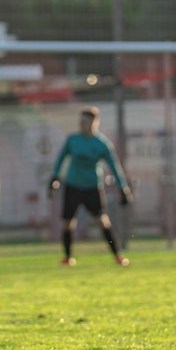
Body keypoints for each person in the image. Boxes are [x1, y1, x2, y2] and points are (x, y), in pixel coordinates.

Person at [48, 106, 132, 267]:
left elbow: (115, 167)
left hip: (92, 188)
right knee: (67, 223)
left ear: (95, 122)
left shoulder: (101, 144)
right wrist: (55, 178)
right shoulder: (73, 140)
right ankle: (68, 258)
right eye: (80, 121)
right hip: (72, 186)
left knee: (102, 221)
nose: (82, 124)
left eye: (85, 121)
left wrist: (123, 188)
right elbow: (61, 159)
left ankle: (117, 256)